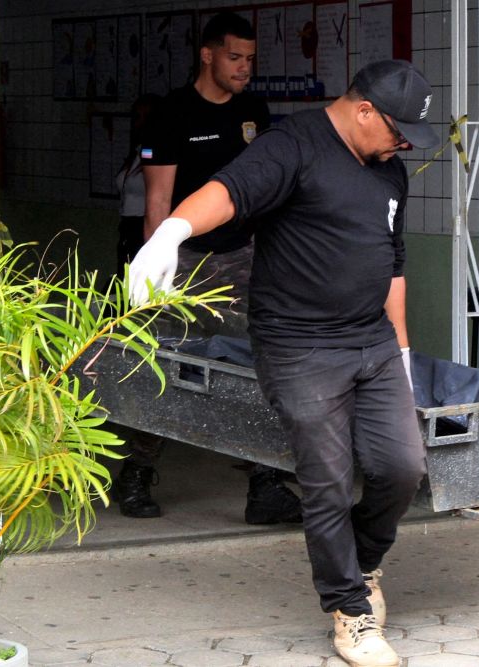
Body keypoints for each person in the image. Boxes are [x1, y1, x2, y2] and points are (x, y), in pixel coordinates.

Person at [127, 59, 437, 667]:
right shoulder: (293, 145)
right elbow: (230, 190)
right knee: (325, 478)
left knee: (402, 467)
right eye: (399, 131)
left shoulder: (389, 170)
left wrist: (401, 351)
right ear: (364, 110)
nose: (403, 145)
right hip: (299, 347)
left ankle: (363, 560)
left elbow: (392, 262)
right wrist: (172, 232)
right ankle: (350, 613)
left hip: (371, 341)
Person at [112, 11, 303, 525]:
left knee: (256, 367)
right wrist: (156, 272)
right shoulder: (171, 114)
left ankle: (265, 483)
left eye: (250, 59)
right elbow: (158, 201)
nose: (244, 68)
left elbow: (265, 190)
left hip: (242, 258)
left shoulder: (253, 109)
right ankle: (136, 471)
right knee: (163, 368)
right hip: (182, 259)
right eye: (235, 57)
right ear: (208, 55)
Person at [114, 93, 160, 278]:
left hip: (144, 225)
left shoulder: (153, 154)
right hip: (127, 225)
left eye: (144, 117)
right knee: (123, 280)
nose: (138, 123)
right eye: (136, 117)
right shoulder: (136, 152)